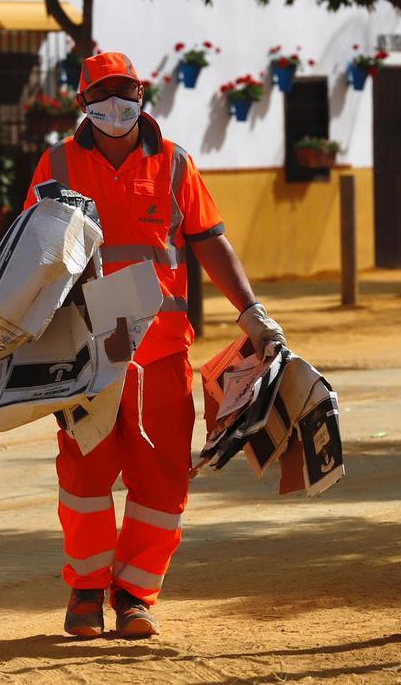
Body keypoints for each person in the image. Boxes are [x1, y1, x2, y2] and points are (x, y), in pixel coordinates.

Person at [23, 52, 286, 638]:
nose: (117, 106)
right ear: (83, 105)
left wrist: (250, 311)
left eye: (127, 92)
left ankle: (135, 594)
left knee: (164, 482)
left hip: (161, 354)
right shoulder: (57, 163)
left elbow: (211, 242)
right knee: (85, 478)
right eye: (104, 95)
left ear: (143, 95)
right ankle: (86, 592)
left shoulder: (174, 164)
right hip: (86, 355)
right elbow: (30, 257)